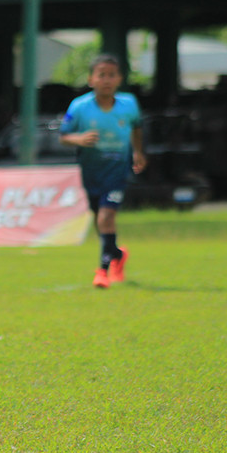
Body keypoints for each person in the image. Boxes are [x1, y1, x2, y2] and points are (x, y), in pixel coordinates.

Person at [60, 54, 146, 289]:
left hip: (117, 170)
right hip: (92, 173)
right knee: (101, 220)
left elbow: (136, 129)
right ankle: (117, 254)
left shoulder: (129, 104)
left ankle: (102, 272)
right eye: (101, 75)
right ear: (91, 79)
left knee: (106, 217)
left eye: (111, 75)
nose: (106, 80)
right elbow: (64, 137)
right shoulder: (79, 107)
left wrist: (138, 152)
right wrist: (79, 138)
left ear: (119, 79)